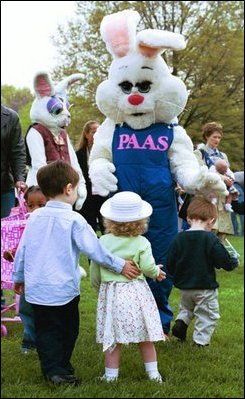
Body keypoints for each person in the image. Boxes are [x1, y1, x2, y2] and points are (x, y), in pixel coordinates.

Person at [12, 160, 140, 386]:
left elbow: (22, 250)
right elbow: (96, 250)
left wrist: (19, 277)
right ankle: (57, 371)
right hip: (64, 291)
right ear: (69, 189)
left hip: (38, 289)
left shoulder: (34, 218)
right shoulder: (74, 219)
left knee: (46, 331)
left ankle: (54, 367)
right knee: (67, 330)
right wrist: (120, 265)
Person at [90, 191, 166, 383]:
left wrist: (98, 287)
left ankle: (111, 376)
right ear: (141, 221)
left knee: (112, 336)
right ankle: (153, 374)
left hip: (113, 293)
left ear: (109, 220)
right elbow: (148, 267)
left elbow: (95, 269)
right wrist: (157, 273)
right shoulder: (142, 243)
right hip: (136, 293)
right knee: (145, 334)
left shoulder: (103, 241)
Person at [167, 197, 238, 347]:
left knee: (187, 308)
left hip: (185, 287)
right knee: (207, 315)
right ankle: (200, 342)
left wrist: (175, 274)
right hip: (205, 287)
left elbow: (171, 262)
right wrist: (232, 263)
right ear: (211, 221)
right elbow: (222, 259)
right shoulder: (210, 239)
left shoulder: (179, 238)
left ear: (188, 218)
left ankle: (181, 322)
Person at [3, 186, 47, 353]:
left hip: (47, 278)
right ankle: (29, 342)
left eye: (41, 206)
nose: (35, 210)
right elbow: (19, 248)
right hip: (29, 279)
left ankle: (48, 342)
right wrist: (11, 254)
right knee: (27, 310)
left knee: (47, 313)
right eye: (30, 205)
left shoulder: (51, 225)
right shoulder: (25, 226)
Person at [1, 105, 27, 307]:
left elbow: (18, 151)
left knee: (3, 242)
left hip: (4, 187)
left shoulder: (10, 117)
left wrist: (20, 178)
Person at [194, 122, 234, 242]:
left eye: (219, 137)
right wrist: (222, 179)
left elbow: (228, 172)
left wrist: (230, 180)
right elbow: (201, 174)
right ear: (207, 136)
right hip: (206, 198)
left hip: (222, 200)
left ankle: (217, 260)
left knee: (220, 236)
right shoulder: (199, 153)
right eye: (214, 137)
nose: (217, 140)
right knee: (206, 232)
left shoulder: (223, 156)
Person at [76, 120, 106, 233]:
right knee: (90, 227)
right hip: (87, 196)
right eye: (94, 132)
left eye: (99, 131)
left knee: (106, 225)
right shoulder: (78, 155)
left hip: (103, 193)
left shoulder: (105, 152)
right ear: (86, 134)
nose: (97, 134)